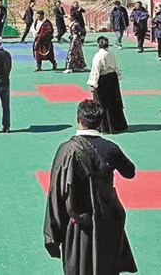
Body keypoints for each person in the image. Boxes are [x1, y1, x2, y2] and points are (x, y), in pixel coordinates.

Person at [44, 100, 137, 275]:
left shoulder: (66, 150)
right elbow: (130, 172)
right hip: (108, 220)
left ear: (79, 119)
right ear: (100, 122)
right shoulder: (111, 148)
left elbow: (56, 193)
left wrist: (53, 234)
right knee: (108, 268)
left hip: (80, 225)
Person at [88, 37, 128, 133]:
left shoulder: (98, 56)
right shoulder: (111, 54)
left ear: (98, 44)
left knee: (103, 103)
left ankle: (105, 127)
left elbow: (95, 71)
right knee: (114, 102)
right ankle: (118, 125)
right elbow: (116, 67)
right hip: (112, 79)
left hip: (103, 80)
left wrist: (93, 84)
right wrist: (118, 76)